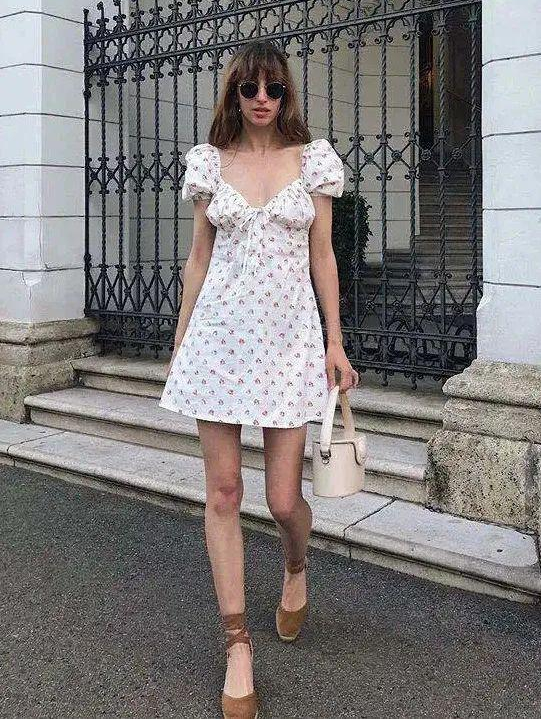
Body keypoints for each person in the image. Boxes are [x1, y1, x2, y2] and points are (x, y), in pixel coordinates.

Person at [159, 38, 359, 719]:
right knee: (223, 492)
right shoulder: (208, 163)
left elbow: (323, 256)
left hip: (287, 344)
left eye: (273, 87)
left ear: (286, 92)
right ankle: (237, 645)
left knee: (280, 500)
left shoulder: (313, 160)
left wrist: (335, 342)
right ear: (235, 94)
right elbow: (198, 257)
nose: (263, 99)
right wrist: (181, 338)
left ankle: (296, 566)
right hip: (217, 341)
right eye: (250, 88)